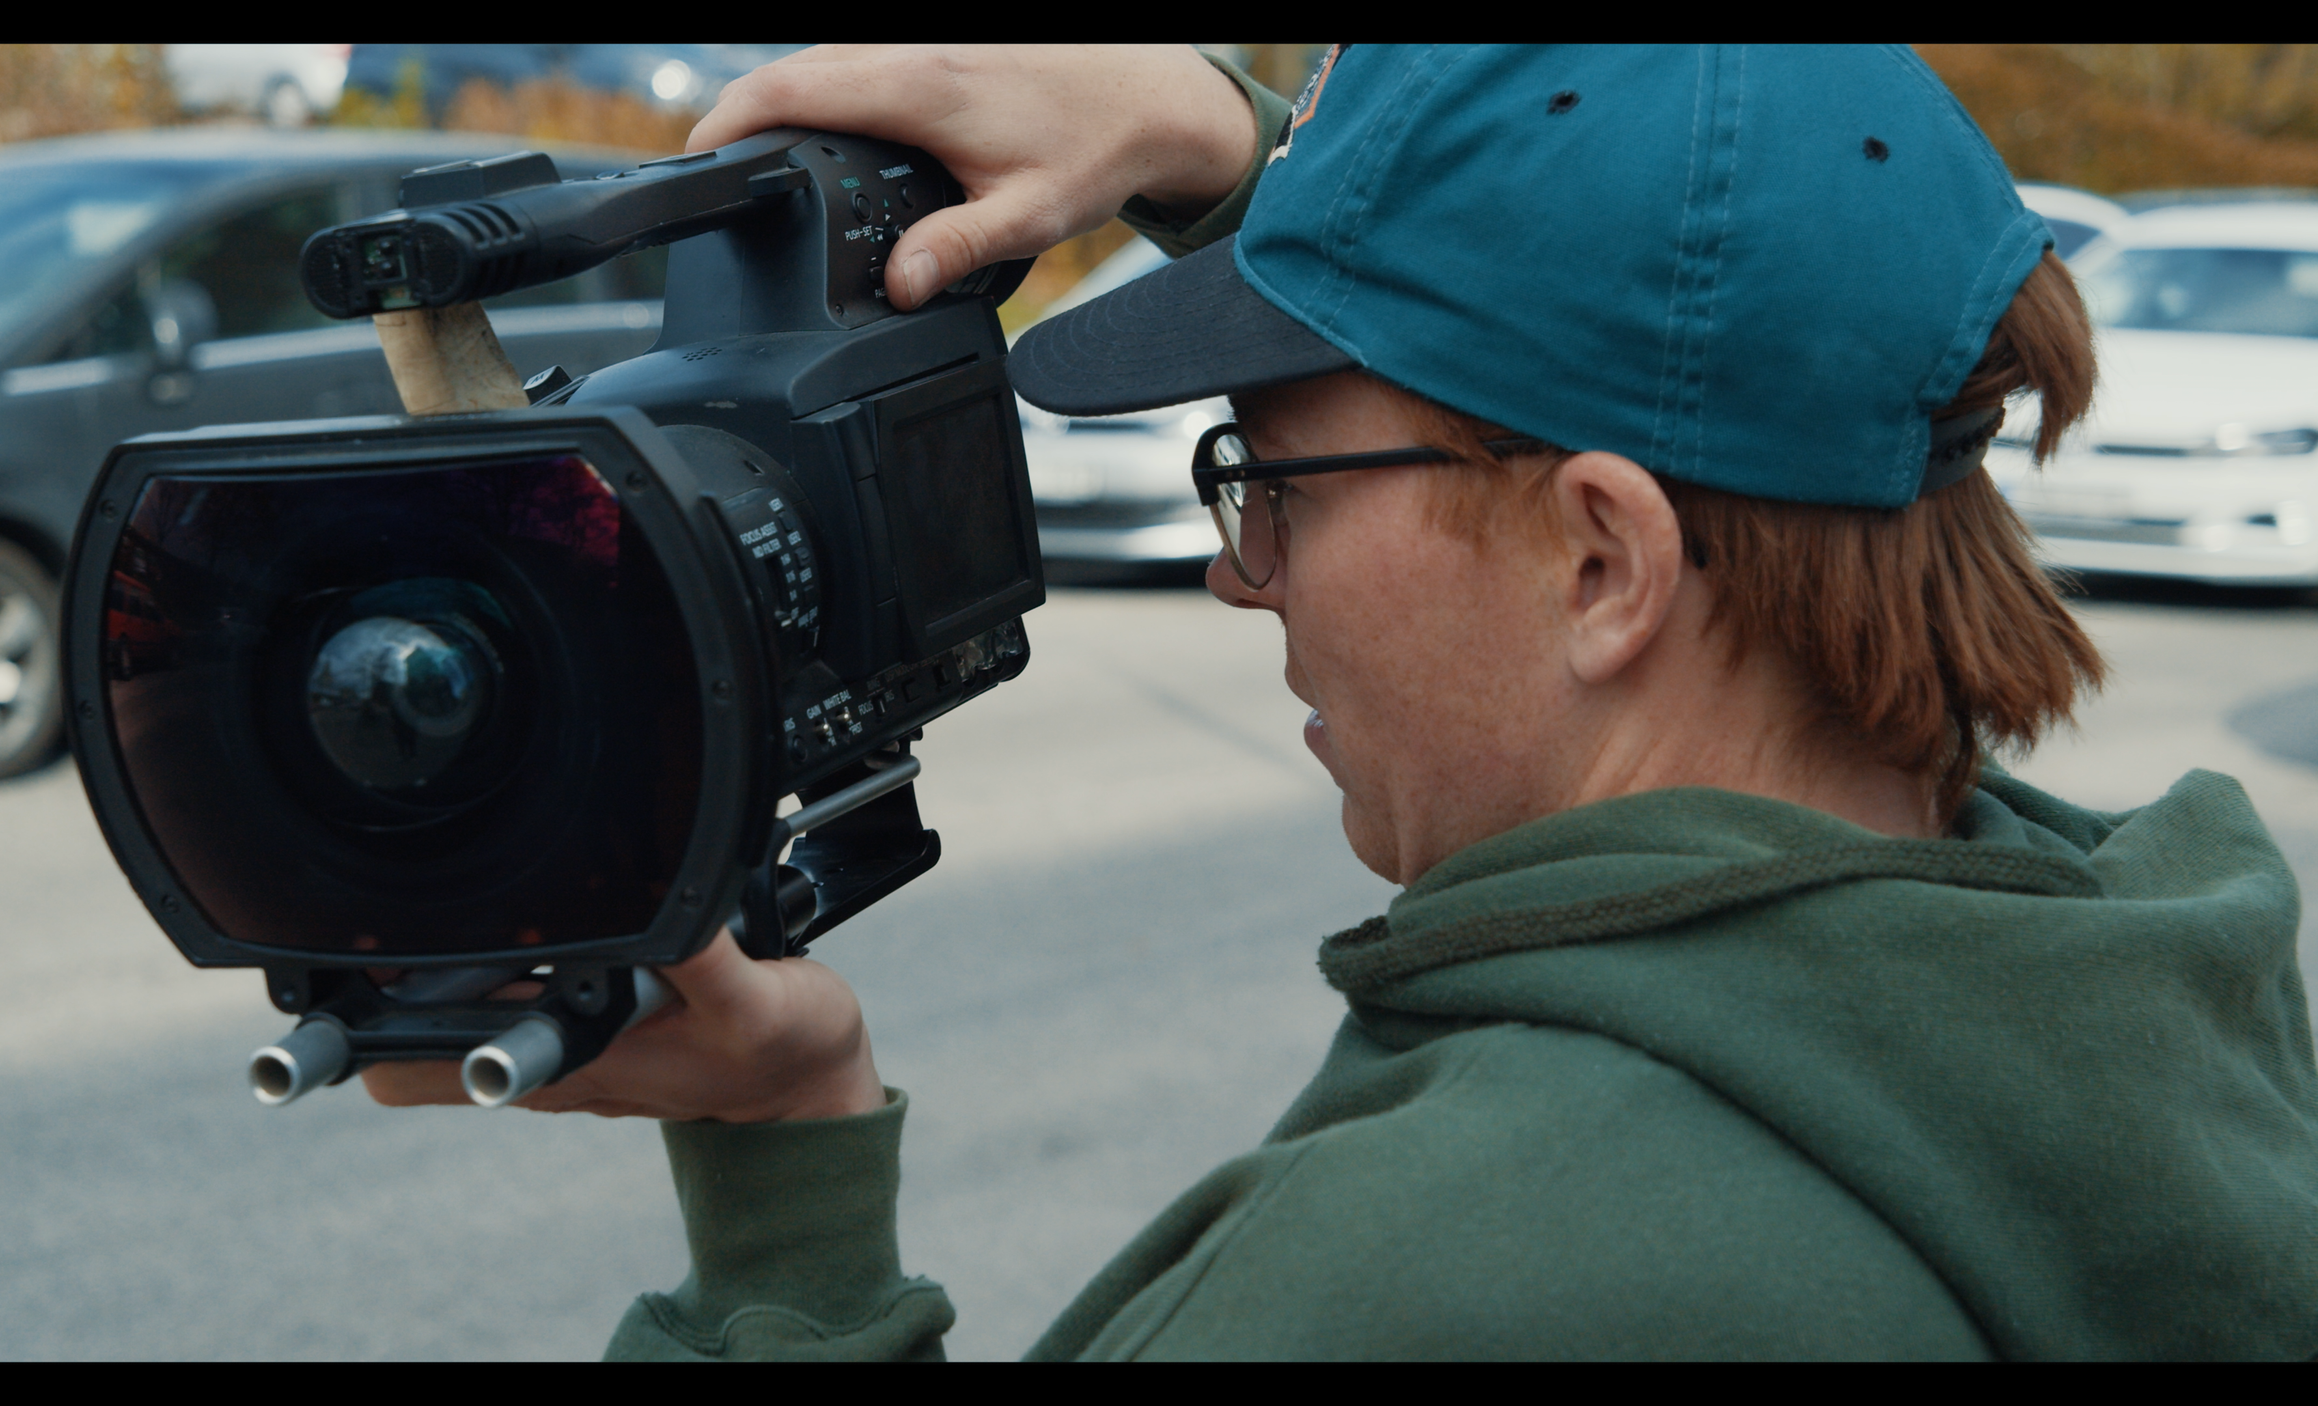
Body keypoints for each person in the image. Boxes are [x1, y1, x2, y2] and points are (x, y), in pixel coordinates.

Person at [363, 45, 2318, 1359]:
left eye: (1268, 479)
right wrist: (1250, 152)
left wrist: (780, 1201)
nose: (1240, 568)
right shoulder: (2103, 1007)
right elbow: (1643, 306)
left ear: (1601, 565)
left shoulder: (1439, 1274)